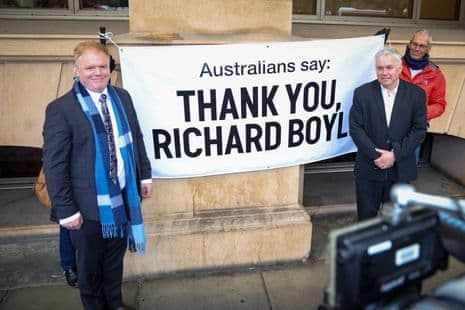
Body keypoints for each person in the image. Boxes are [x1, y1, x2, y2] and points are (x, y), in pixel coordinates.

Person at [42, 40, 152, 309]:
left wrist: (144, 176)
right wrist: (66, 210)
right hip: (85, 208)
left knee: (113, 264)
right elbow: (54, 165)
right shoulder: (61, 109)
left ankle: (113, 304)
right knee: (90, 271)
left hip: (121, 200)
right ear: (77, 69)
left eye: (103, 66)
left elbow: (136, 138)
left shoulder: (122, 98)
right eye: (90, 67)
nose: (98, 72)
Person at [349, 48, 427, 221]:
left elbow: (419, 129)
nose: (384, 73)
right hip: (369, 168)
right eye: (380, 68)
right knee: (366, 218)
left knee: (396, 219)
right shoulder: (362, 94)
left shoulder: (416, 95)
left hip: (400, 168)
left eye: (389, 67)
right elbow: (355, 128)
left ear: (399, 69)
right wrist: (376, 155)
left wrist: (394, 155)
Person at [401, 29, 447, 161]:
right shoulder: (395, 65)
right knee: (385, 167)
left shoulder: (436, 74)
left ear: (428, 49)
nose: (416, 48)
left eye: (421, 46)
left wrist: (421, 112)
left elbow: (440, 104)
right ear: (409, 44)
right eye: (414, 44)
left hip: (415, 128)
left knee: (407, 168)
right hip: (390, 124)